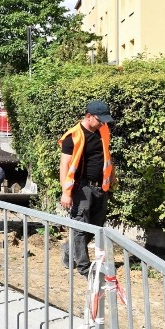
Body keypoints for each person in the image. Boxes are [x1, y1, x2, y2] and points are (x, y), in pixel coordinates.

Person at [59, 100, 116, 277]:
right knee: (80, 227)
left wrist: (112, 176)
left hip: (100, 187)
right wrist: (65, 192)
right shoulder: (73, 136)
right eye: (100, 120)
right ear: (89, 116)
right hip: (81, 188)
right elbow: (64, 165)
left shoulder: (103, 130)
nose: (103, 123)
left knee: (96, 226)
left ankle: (69, 249)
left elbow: (107, 154)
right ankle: (84, 267)